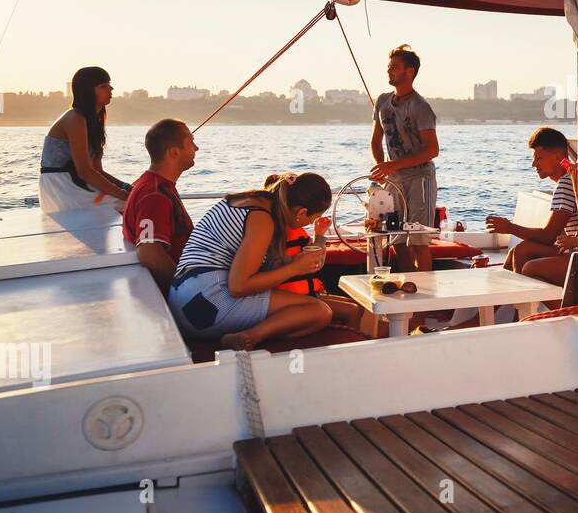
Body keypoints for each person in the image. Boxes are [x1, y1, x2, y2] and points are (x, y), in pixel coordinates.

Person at [167, 172, 364, 351]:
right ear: (301, 212)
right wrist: (295, 268)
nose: (310, 224)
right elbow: (239, 286)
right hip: (205, 309)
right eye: (313, 219)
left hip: (182, 301)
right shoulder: (261, 219)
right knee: (319, 312)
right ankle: (249, 337)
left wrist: (291, 263)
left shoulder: (252, 201)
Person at [370, 45, 439, 272]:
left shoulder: (421, 107)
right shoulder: (382, 101)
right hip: (394, 180)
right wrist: (382, 168)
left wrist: (393, 165)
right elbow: (375, 141)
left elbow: (432, 150)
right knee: (397, 240)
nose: (389, 71)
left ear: (409, 72)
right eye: (388, 67)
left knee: (418, 241)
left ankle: (425, 303)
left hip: (420, 179)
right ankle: (410, 288)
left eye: (394, 67)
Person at [487, 126, 578, 287]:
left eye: (539, 158)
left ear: (557, 157)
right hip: (574, 249)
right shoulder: (569, 180)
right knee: (520, 250)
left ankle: (542, 311)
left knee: (527, 261)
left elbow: (548, 236)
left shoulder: (566, 183)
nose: (533, 164)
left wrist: (509, 227)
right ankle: (498, 307)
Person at [39, 66, 133, 212]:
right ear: (88, 92)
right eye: (104, 86)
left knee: (135, 201)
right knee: (133, 204)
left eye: (109, 84)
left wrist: (127, 187)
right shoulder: (75, 118)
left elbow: (97, 170)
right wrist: (125, 195)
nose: (111, 89)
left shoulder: (93, 122)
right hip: (62, 186)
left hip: (77, 183)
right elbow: (85, 171)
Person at [123, 119, 198, 294]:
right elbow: (149, 252)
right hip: (184, 296)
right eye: (191, 143)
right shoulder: (154, 195)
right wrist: (186, 291)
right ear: (174, 152)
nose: (196, 148)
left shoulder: (157, 186)